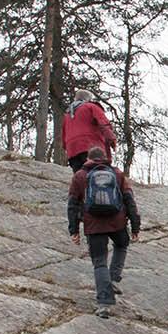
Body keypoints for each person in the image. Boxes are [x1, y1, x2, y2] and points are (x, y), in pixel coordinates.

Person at [67, 146, 141, 319]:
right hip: (117, 222)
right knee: (122, 245)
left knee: (99, 263)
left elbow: (72, 204)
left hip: (94, 225)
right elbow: (129, 200)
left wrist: (74, 230)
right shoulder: (117, 173)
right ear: (105, 158)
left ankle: (104, 305)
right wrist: (136, 226)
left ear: (88, 159)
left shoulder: (80, 176)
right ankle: (113, 278)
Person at [60, 89, 118, 172]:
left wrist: (67, 148)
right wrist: (112, 139)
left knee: (81, 177)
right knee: (97, 175)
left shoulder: (68, 115)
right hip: (90, 146)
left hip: (72, 150)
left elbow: (64, 135)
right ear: (88, 99)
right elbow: (104, 124)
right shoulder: (91, 107)